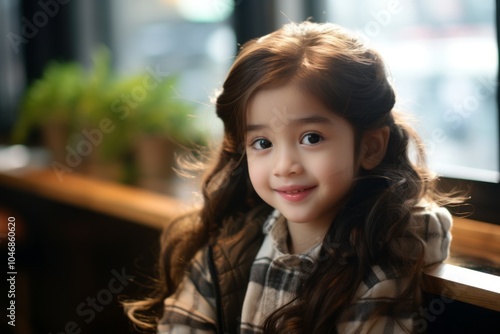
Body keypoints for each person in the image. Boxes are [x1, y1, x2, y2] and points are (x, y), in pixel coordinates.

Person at [123, 21, 464, 333]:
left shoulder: (382, 264)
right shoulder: (224, 251)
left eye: (311, 138)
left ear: (370, 147)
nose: (284, 166)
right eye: (262, 143)